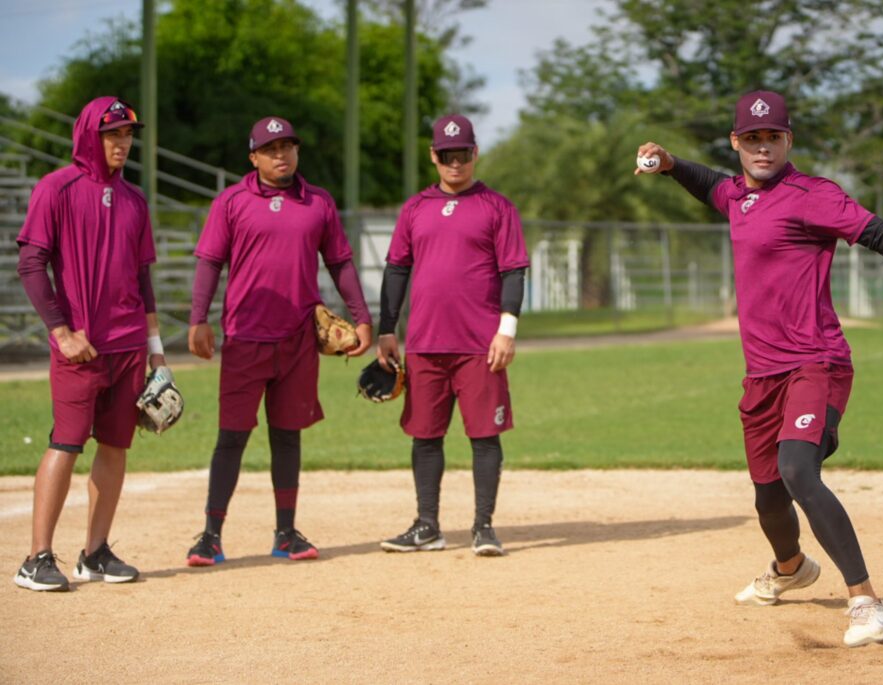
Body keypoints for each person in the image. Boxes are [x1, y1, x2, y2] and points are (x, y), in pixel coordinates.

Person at [636, 90, 883, 647]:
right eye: (752, 137)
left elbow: (876, 231)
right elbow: (706, 181)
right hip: (761, 374)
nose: (763, 146)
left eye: (773, 136)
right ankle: (790, 568)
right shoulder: (737, 195)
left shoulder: (813, 195)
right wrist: (667, 164)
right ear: (737, 142)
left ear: (789, 141)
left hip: (817, 360)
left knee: (798, 471)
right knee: (767, 494)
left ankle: (868, 603)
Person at [185, 116, 372, 566]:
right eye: (270, 148)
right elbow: (210, 262)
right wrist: (198, 319)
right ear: (253, 157)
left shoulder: (319, 203)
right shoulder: (231, 202)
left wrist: (363, 319)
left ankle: (286, 532)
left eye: (287, 146)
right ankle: (211, 535)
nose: (280, 155)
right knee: (232, 436)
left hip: (298, 341)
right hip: (246, 337)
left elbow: (341, 263)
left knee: (287, 436)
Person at [14, 97, 160, 591]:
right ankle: (36, 558)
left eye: (128, 134)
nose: (122, 143)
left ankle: (95, 553)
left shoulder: (135, 200)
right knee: (66, 441)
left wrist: (156, 347)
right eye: (112, 133)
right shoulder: (57, 188)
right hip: (80, 346)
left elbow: (144, 278)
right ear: (88, 135)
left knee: (116, 445)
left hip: (129, 344)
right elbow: (31, 265)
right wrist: (61, 331)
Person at [377, 114, 530, 557]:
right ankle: (427, 526)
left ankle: (483, 526)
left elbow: (514, 270)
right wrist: (388, 329)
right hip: (425, 342)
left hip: (480, 346)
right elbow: (397, 269)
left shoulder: (497, 207)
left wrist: (507, 329)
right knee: (425, 435)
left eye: (462, 154)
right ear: (434, 156)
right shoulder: (415, 208)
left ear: (474, 153)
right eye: (447, 155)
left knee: (485, 436)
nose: (455, 163)